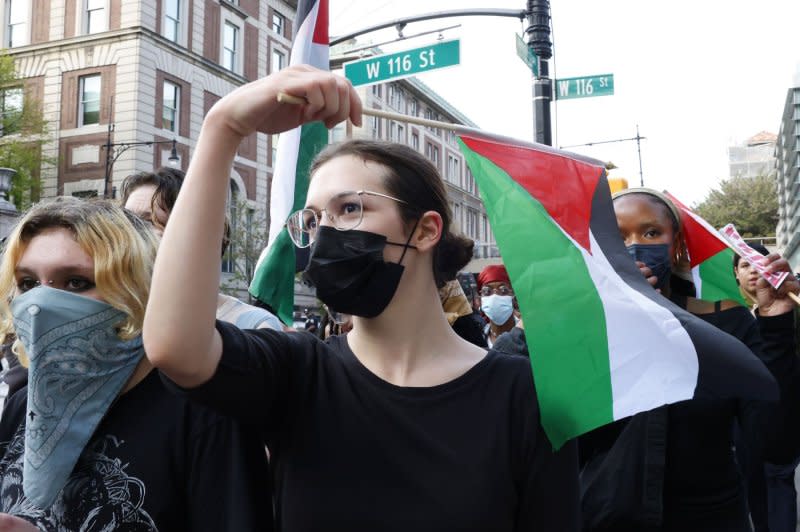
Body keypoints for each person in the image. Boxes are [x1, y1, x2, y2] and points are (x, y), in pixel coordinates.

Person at [143, 65, 580, 531]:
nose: (324, 231)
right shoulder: (299, 372)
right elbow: (175, 346)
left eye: (350, 208)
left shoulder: (525, 397)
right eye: (312, 220)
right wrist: (224, 127)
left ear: (427, 229)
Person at [0, 197, 270, 530]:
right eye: (28, 284)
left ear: (137, 289)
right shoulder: (23, 406)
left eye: (76, 282)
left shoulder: (205, 415)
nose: (40, 304)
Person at [577, 187, 800, 531]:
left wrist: (775, 320)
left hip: (711, 518)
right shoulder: (587, 332)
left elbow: (775, 444)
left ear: (677, 243)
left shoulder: (727, 325)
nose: (634, 246)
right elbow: (565, 443)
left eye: (651, 232)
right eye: (618, 237)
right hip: (608, 518)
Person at [121, 167, 283, 331]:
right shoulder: (110, 312)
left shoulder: (255, 325)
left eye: (146, 221)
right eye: (125, 221)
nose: (128, 232)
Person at [734, 243, 800, 532]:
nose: (753, 272)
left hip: (784, 420)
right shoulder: (729, 317)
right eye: (745, 265)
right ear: (735, 274)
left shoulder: (791, 304)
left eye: (759, 264)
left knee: (777, 485)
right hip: (745, 429)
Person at [477, 264, 519, 347]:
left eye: (503, 290)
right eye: (487, 291)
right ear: (480, 298)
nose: (494, 297)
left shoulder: (528, 335)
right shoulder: (477, 338)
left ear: (513, 295)